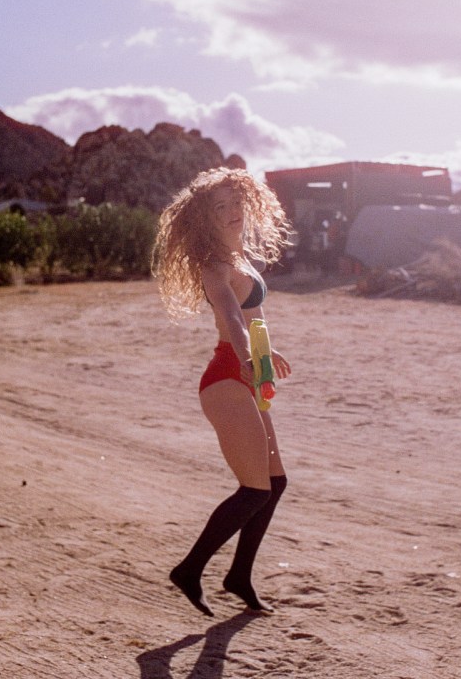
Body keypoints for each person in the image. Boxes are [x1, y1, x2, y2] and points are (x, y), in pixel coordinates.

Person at [152, 167, 295, 617]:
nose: (233, 212)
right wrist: (250, 359)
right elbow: (232, 319)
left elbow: (255, 320)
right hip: (226, 378)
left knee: (275, 483)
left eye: (237, 203)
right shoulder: (213, 265)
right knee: (253, 490)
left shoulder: (242, 259)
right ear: (205, 220)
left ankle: (238, 577)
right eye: (221, 207)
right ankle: (189, 570)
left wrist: (268, 359)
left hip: (249, 374)